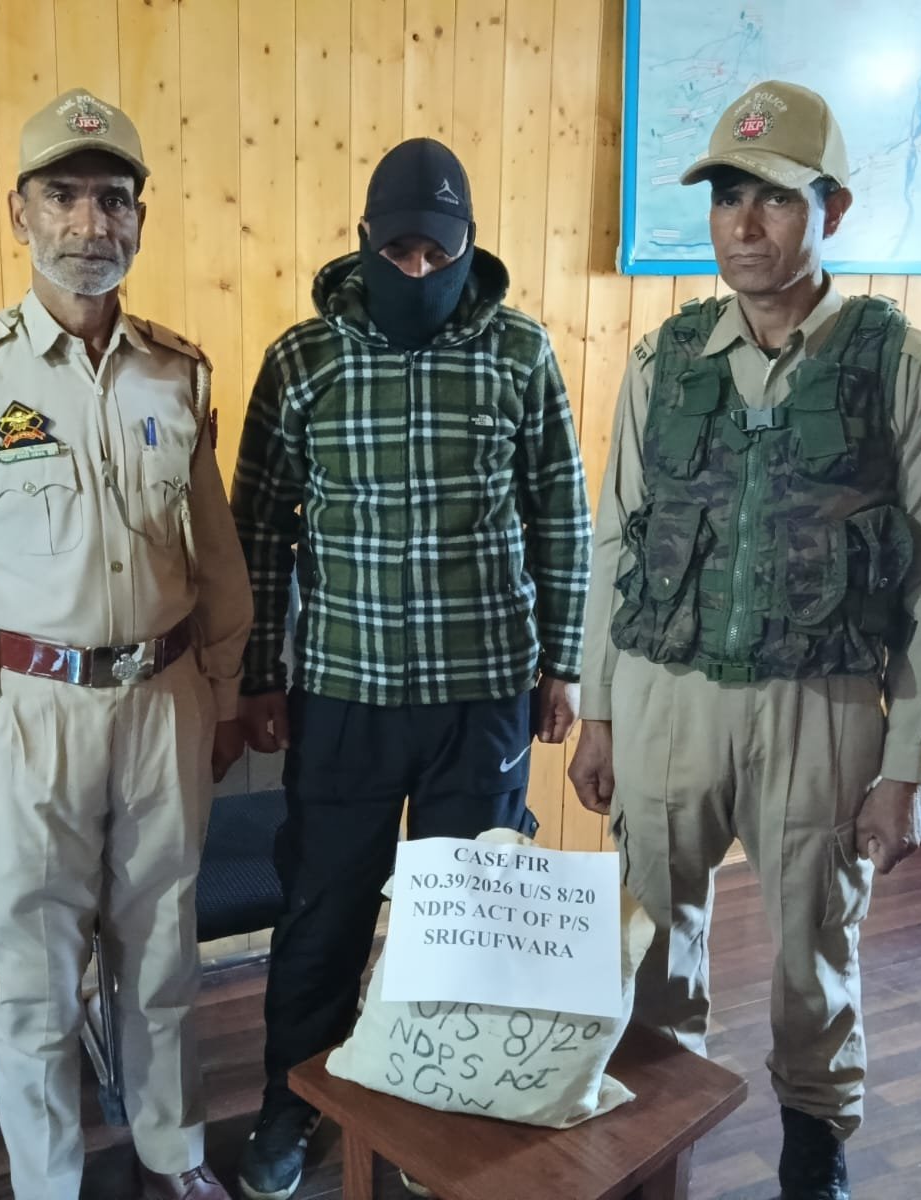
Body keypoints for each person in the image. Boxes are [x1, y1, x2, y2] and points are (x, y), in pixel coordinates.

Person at [568, 81, 921, 1200]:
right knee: (650, 939)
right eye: (726, 198)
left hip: (820, 704)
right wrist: (599, 709)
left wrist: (907, 766)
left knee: (814, 945)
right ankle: (656, 1147)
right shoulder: (663, 361)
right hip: (665, 695)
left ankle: (814, 1143)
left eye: (776, 200)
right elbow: (615, 537)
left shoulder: (901, 367)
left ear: (831, 210)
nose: (744, 226)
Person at [0, 87, 251, 1200]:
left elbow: (217, 558)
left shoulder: (177, 373)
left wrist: (225, 693)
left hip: (165, 700)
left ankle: (173, 1155)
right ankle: (48, 1184)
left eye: (113, 199)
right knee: (38, 978)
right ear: (20, 212)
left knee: (164, 954)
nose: (90, 223)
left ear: (140, 218)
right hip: (30, 711)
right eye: (63, 196)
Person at [228, 137, 592, 1200]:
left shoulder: (519, 353)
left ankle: (443, 1110)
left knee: (462, 923)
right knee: (324, 912)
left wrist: (564, 662)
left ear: (468, 245)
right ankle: (293, 1102)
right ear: (365, 244)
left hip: (483, 696)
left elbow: (562, 515)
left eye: (438, 253)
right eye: (399, 252)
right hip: (343, 693)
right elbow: (258, 529)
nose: (419, 271)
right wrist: (257, 674)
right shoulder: (303, 359)